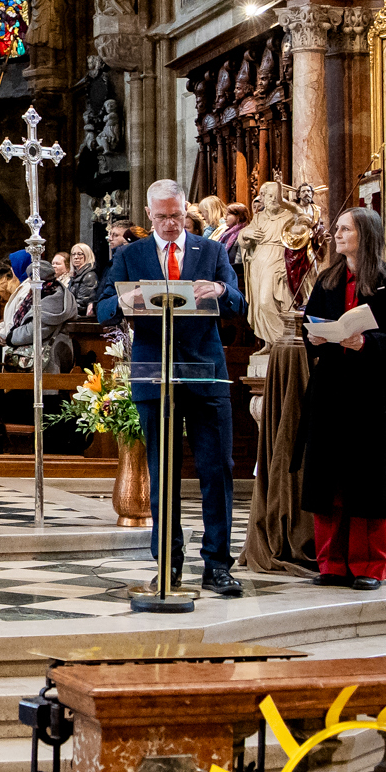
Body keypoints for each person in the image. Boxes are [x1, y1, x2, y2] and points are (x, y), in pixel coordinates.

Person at [98, 178, 247, 597]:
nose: (170, 224)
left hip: (205, 371)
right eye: (162, 217)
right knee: (162, 471)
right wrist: (125, 301)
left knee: (216, 469)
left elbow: (239, 303)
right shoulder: (130, 255)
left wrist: (220, 289)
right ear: (149, 214)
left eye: (177, 215)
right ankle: (168, 564)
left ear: (186, 211)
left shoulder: (211, 251)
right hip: (154, 372)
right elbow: (102, 309)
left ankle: (217, 565)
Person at [297, 206, 386, 590]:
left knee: (368, 482)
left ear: (365, 234)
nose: (337, 234)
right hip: (330, 391)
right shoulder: (328, 280)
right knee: (329, 481)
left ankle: (369, 565)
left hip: (371, 395)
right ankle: (332, 563)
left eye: (345, 229)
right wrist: (317, 336)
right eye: (337, 229)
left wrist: (368, 343)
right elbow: (309, 327)